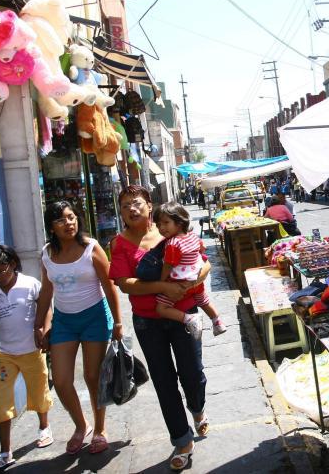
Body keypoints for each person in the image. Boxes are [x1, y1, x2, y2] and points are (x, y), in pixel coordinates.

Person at [109, 185, 209, 471]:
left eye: (136, 202)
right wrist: (164, 286)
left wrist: (189, 284)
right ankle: (182, 439)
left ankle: (198, 409)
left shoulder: (170, 231)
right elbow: (124, 283)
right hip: (147, 321)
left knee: (192, 373)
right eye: (125, 204)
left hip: (183, 312)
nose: (131, 208)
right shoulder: (119, 244)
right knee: (164, 381)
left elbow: (205, 264)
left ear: (149, 206)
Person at [34, 201, 122, 455]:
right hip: (64, 321)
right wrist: (39, 325)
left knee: (92, 377)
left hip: (95, 317)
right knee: (61, 381)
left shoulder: (92, 249)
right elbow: (47, 290)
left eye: (71, 217)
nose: (68, 223)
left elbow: (109, 286)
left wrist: (117, 322)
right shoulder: (47, 253)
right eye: (61, 220)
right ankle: (80, 426)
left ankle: (100, 429)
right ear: (51, 226)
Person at [0, 244, 53, 469]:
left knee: (38, 390)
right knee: (1, 401)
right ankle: (5, 452)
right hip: (5, 356)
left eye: (1, 271)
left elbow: (47, 307)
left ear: (12, 264)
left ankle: (44, 427)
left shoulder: (30, 284)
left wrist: (44, 330)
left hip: (32, 351)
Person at [152, 202, 226, 337]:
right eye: (158, 225)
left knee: (161, 309)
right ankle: (217, 321)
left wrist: (162, 282)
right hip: (196, 281)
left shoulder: (173, 243)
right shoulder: (193, 236)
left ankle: (189, 319)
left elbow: (168, 265)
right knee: (203, 301)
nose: (161, 228)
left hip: (179, 283)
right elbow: (202, 251)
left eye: (165, 223)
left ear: (179, 222)